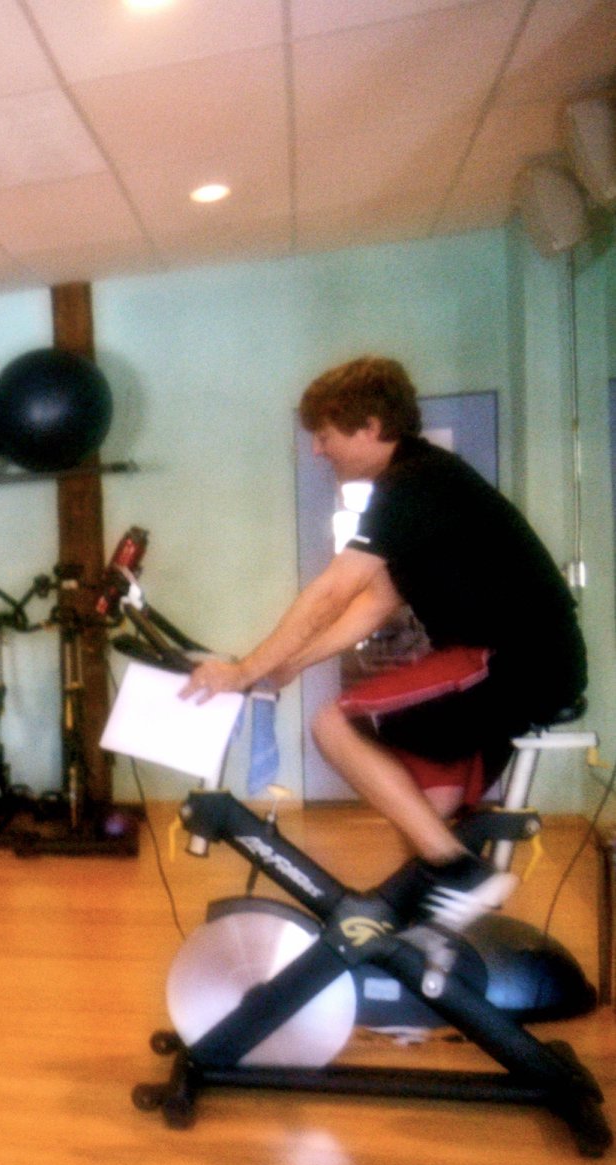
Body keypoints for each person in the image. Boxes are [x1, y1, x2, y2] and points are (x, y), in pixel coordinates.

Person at [181, 357, 587, 932]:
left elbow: (332, 592)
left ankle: (463, 874)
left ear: (370, 427)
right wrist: (289, 663)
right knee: (423, 803)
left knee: (334, 723)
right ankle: (424, 946)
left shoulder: (411, 482)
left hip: (515, 661)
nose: (317, 449)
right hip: (520, 663)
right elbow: (374, 602)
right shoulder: (423, 483)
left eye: (324, 434)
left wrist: (244, 670)